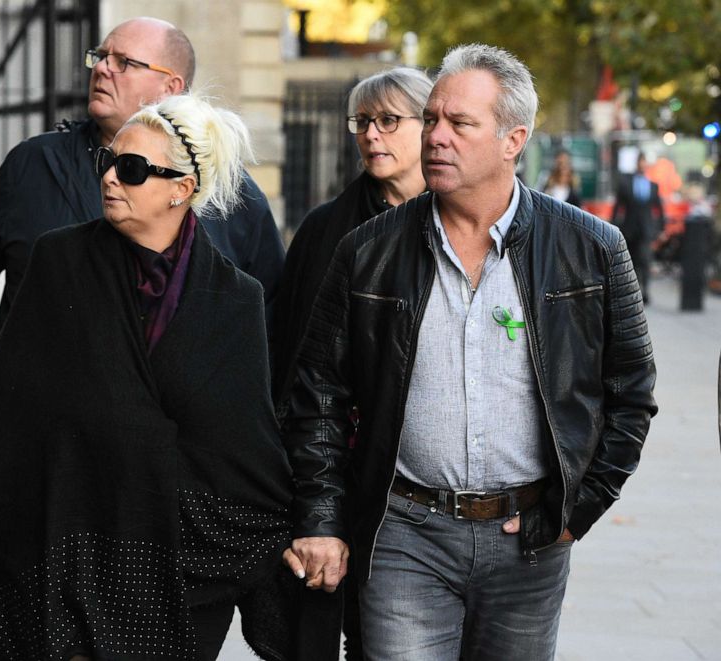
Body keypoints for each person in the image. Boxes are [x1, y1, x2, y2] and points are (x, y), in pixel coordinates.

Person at [0, 94, 301, 660]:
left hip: (178, 560)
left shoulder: (234, 298)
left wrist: (295, 530)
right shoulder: (60, 259)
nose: (109, 178)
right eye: (108, 161)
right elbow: (10, 392)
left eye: (131, 170)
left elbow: (243, 440)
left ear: (182, 187)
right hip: (68, 540)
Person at [281, 44, 657, 660]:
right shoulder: (366, 252)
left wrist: (576, 512)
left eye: (460, 124)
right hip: (405, 534)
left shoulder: (591, 248)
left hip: (529, 545)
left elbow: (631, 393)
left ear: (514, 139)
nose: (436, 137)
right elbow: (317, 395)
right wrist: (322, 517)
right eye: (431, 119)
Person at [0, 17, 284, 444]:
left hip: (171, 444)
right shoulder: (33, 165)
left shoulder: (232, 194)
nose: (102, 68)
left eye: (124, 62)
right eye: (101, 56)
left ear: (171, 87)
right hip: (36, 427)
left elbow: (269, 323)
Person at [270, 66, 432, 661]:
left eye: (390, 120)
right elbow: (293, 351)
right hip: (334, 458)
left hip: (419, 471)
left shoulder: (460, 224)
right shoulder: (325, 229)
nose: (371, 135)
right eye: (362, 122)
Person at [612, 152, 664, 302]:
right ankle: (633, 290)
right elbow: (618, 207)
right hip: (629, 229)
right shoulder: (626, 183)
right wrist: (614, 226)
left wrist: (660, 228)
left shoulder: (653, 186)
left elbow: (659, 209)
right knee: (631, 261)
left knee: (645, 260)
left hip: (646, 229)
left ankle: (646, 289)